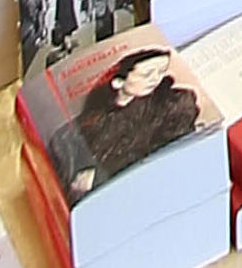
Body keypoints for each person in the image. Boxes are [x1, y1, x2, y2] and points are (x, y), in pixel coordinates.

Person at [48, 48, 197, 199]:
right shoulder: (93, 119)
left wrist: (98, 177)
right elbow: (61, 148)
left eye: (161, 71)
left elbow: (165, 154)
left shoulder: (171, 103)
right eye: (147, 74)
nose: (155, 79)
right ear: (118, 82)